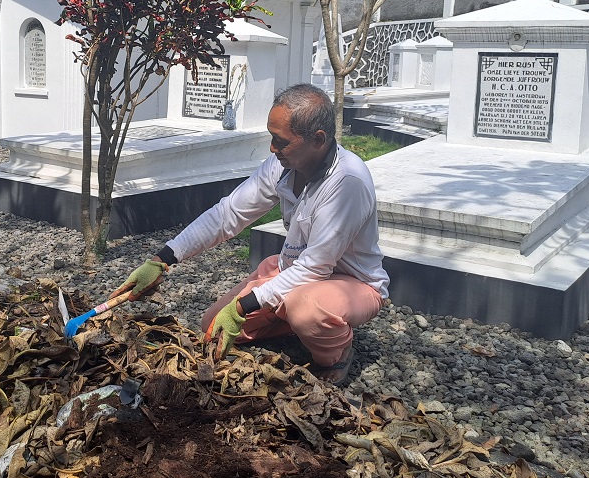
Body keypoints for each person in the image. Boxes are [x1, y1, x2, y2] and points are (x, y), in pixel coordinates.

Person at [111, 83, 389, 386]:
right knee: (211, 328)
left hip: (352, 283)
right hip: (292, 272)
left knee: (306, 309)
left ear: (318, 140)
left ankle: (335, 351)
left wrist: (244, 306)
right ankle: (295, 319)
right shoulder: (285, 164)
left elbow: (316, 266)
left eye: (280, 141)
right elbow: (229, 213)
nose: (272, 148)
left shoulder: (347, 182)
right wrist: (163, 259)